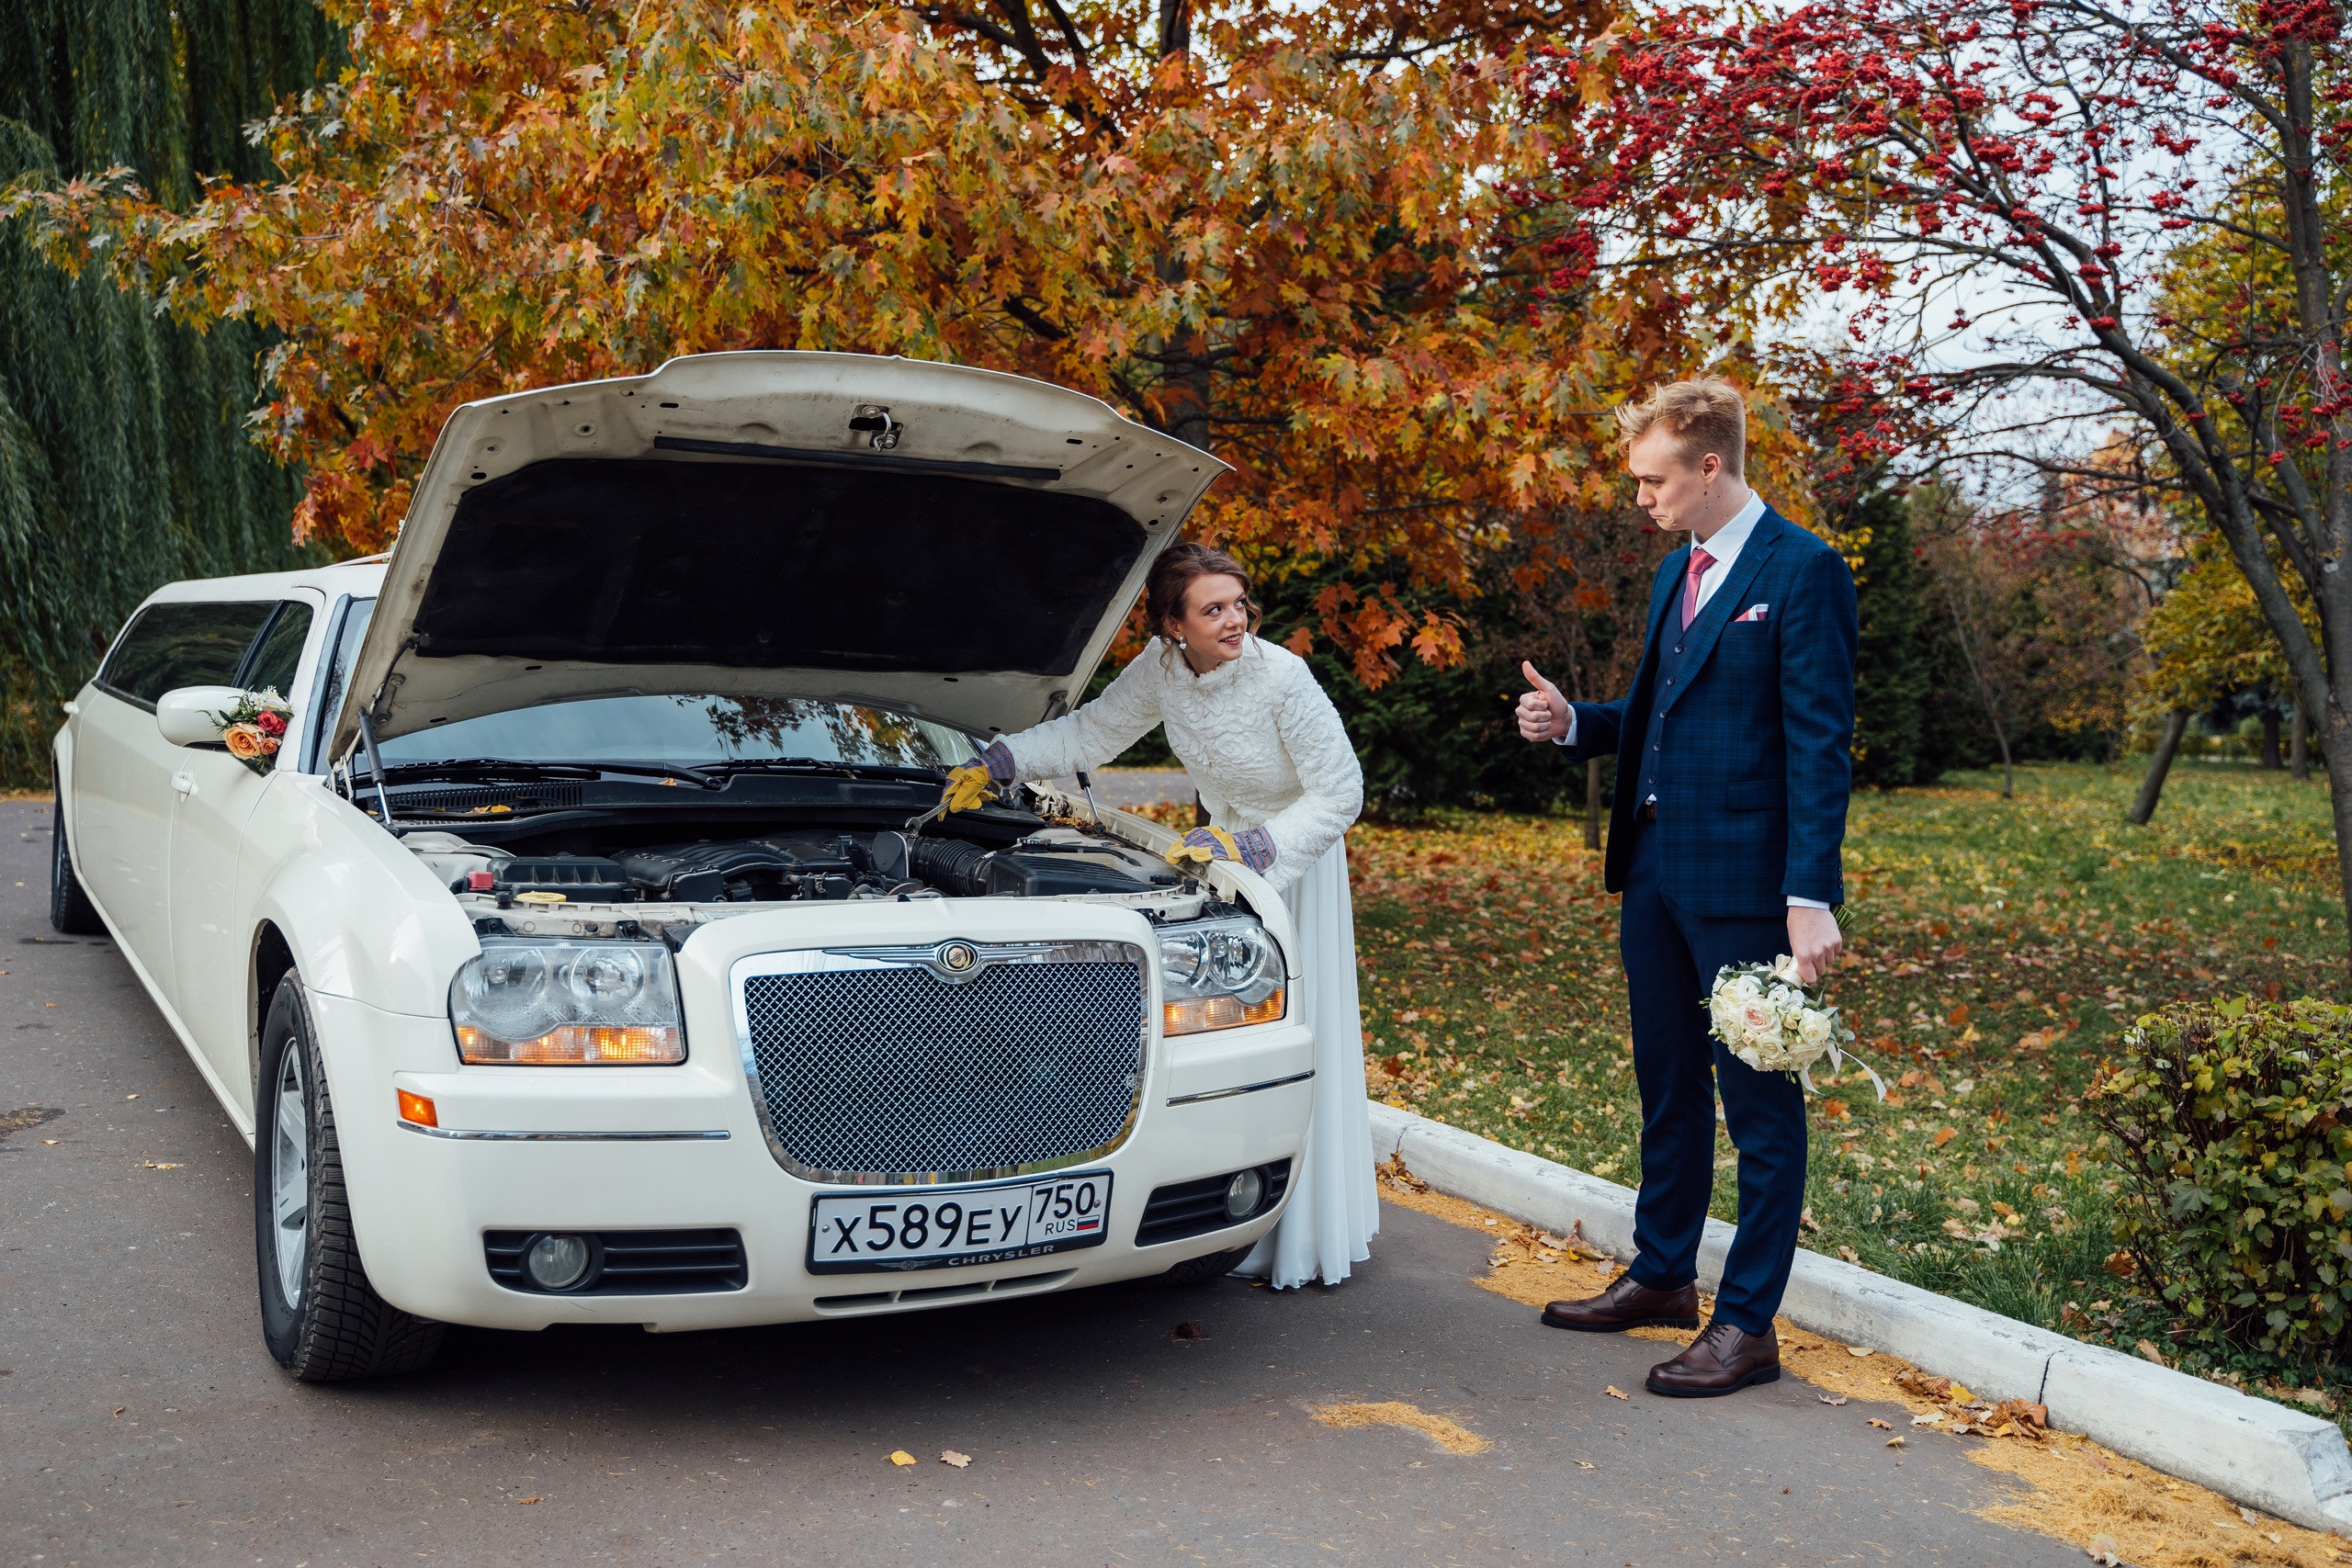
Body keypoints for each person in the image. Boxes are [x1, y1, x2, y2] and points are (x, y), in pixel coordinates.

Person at [1515, 378, 1857, 1397]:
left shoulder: (1804, 569)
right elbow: (1660, 714)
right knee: (1667, 1084)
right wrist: (1575, 723)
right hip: (1655, 871)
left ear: (1712, 466)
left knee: (1758, 1108)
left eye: (1653, 480)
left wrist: (1809, 892)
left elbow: (1820, 743)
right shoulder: (1679, 570)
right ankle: (1663, 1273)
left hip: (1749, 885)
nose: (1641, 498)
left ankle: (1745, 1325)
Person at [942, 542, 1376, 1289]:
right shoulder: (1161, 669)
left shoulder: (1283, 676)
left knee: (1292, 1029)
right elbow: (1090, 733)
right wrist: (999, 760)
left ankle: (1304, 1230)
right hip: (1218, 855)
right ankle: (1228, 1206)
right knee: (1228, 1036)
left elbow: (1342, 791)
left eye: (1238, 603)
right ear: (1174, 625)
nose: (1235, 620)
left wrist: (1253, 847)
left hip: (1291, 858)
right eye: (1214, 609)